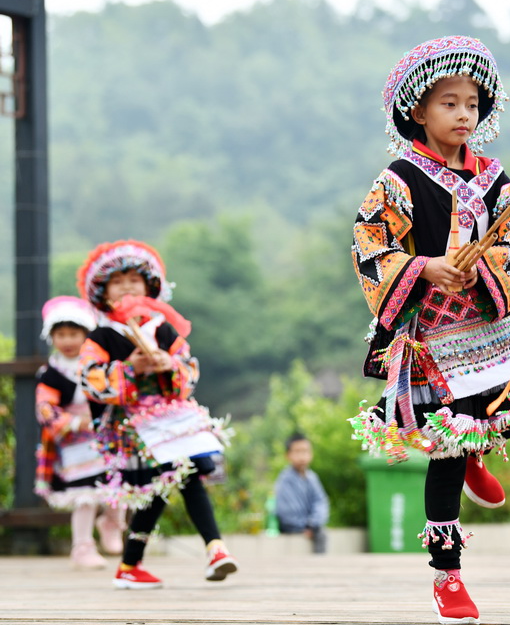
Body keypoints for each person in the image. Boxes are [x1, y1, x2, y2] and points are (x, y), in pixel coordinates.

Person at [348, 36, 510, 625]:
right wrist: (425, 266)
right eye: (449, 103)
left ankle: (478, 447)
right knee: (449, 446)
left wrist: (493, 261)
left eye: (472, 104)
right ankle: (447, 578)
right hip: (435, 334)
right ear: (419, 111)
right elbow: (370, 245)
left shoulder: (495, 177)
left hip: (489, 320)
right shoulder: (397, 180)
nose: (462, 114)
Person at [77, 240, 237, 589]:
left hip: (172, 418)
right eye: (117, 281)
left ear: (150, 287)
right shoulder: (101, 336)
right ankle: (211, 549)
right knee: (171, 479)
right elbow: (91, 381)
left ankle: (139, 563)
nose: (128, 286)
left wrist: (170, 365)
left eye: (134, 279)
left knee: (173, 478)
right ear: (103, 292)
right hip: (130, 425)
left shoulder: (164, 329)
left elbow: (190, 370)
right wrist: (129, 369)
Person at [34, 296, 127, 569]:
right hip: (73, 442)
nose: (67, 340)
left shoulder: (98, 365)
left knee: (118, 484)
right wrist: (76, 423)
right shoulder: (51, 373)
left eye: (74, 334)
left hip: (107, 435)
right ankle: (82, 547)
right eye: (60, 334)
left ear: (86, 335)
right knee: (85, 496)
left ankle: (113, 523)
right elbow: (45, 409)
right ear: (51, 337)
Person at [274, 432, 330, 554]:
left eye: (305, 451)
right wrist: (303, 526)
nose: (302, 456)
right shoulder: (285, 479)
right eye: (297, 452)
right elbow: (286, 511)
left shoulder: (312, 477)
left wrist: (314, 523)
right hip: (292, 528)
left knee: (322, 534)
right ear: (288, 455)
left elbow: (321, 501)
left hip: (312, 527)